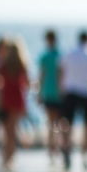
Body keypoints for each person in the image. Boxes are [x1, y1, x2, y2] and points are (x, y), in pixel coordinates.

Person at [59, 30, 87, 171]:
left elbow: (61, 70)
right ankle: (85, 155)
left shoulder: (70, 53)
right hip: (85, 93)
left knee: (67, 125)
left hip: (70, 92)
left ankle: (66, 149)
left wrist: (62, 88)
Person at [0, 39, 29, 170]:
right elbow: (27, 84)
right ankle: (11, 155)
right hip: (17, 99)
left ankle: (6, 155)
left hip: (6, 98)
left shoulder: (4, 64)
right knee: (13, 130)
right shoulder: (22, 64)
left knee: (7, 130)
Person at [37, 30, 63, 164]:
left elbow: (41, 76)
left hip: (48, 92)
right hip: (59, 93)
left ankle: (51, 148)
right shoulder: (60, 55)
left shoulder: (45, 57)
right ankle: (56, 147)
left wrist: (39, 93)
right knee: (58, 123)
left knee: (50, 123)